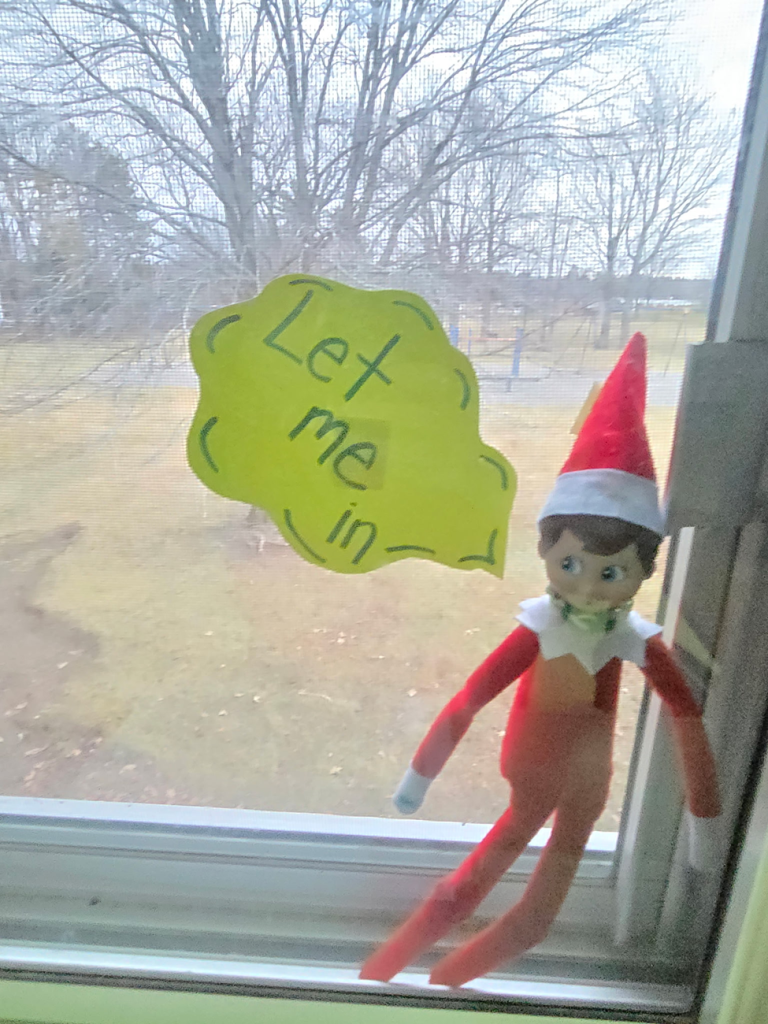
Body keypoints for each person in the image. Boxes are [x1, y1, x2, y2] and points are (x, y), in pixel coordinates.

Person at [359, 333, 720, 988]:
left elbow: (686, 715)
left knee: (539, 912)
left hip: (587, 780)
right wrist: (420, 776)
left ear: (643, 568)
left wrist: (704, 819)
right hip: (536, 766)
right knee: (471, 880)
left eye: (612, 572)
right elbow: (472, 697)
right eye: (571, 563)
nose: (589, 588)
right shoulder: (541, 628)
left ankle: (444, 985)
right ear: (547, 550)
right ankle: (381, 977)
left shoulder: (633, 638)